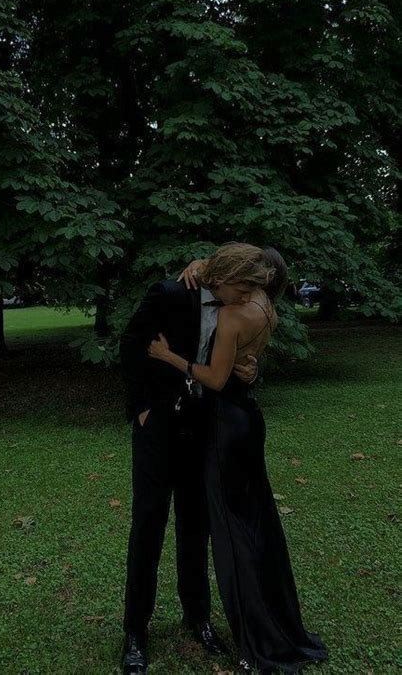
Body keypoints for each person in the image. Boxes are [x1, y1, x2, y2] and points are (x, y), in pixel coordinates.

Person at [148, 247, 329, 673]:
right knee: (258, 525)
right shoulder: (266, 306)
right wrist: (196, 265)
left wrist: (169, 357)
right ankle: (280, 624)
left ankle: (259, 641)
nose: (245, 290)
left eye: (252, 284)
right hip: (248, 419)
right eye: (242, 283)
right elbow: (242, 360)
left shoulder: (234, 313)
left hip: (223, 429)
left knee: (231, 536)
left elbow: (213, 378)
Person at [119, 243, 270, 674]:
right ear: (221, 279)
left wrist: (252, 370)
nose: (246, 299)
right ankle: (135, 631)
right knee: (148, 523)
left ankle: (197, 616)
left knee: (195, 525)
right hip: (158, 427)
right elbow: (131, 345)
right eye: (241, 290)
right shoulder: (168, 293)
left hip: (204, 428)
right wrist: (141, 407)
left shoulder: (232, 308)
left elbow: (237, 358)